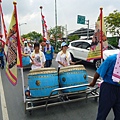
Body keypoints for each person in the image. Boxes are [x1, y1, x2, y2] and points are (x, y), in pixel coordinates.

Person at [89, 52, 120, 120]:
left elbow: (98, 73)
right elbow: (98, 73)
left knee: (103, 114)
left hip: (109, 88)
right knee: (103, 114)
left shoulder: (111, 59)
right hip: (109, 88)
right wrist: (93, 82)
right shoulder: (112, 59)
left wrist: (93, 82)